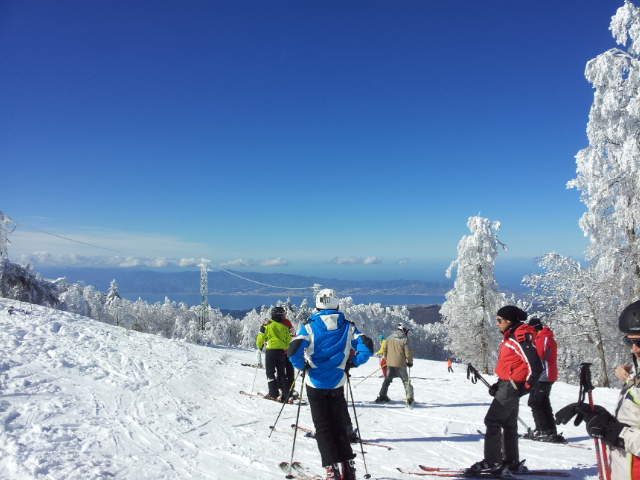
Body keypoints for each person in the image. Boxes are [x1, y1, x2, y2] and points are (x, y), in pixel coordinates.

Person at [288, 288, 373, 480]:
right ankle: (348, 466)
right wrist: (352, 363)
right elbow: (366, 348)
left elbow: (293, 350)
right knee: (340, 424)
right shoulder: (348, 326)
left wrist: (303, 367)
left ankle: (331, 469)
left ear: (317, 304)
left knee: (323, 427)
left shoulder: (309, 326)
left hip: (315, 383)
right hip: (337, 382)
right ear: (336, 303)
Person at [555, 300, 640, 480]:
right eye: (629, 341)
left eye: (639, 341)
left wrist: (615, 431)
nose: (634, 350)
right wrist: (602, 418)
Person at [465, 306, 543, 476]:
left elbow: (535, 366)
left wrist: (525, 387)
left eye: (499, 320)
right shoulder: (512, 336)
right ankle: (511, 461)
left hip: (511, 387)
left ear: (509, 321)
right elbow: (513, 365)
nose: (497, 323)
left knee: (492, 421)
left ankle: (493, 462)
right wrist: (499, 383)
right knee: (508, 424)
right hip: (508, 384)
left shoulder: (518, 337)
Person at [526, 318, 563, 443]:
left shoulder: (543, 339)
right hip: (547, 375)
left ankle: (543, 430)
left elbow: (537, 358)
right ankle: (550, 430)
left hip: (543, 376)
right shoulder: (547, 337)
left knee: (535, 402)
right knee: (543, 402)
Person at [255, 306, 292, 402]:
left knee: (270, 373)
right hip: (281, 352)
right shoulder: (284, 327)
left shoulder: (268, 326)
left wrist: (259, 346)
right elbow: (289, 339)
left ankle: (273, 393)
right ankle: (286, 394)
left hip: (271, 351)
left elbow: (261, 338)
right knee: (281, 373)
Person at [375, 323, 414, 405]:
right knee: (406, 381)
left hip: (390, 363)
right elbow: (408, 353)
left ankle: (382, 396)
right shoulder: (405, 339)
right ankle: (410, 398)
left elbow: (384, 350)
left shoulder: (389, 338)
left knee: (387, 380)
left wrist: (387, 359)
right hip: (401, 363)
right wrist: (410, 362)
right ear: (404, 330)